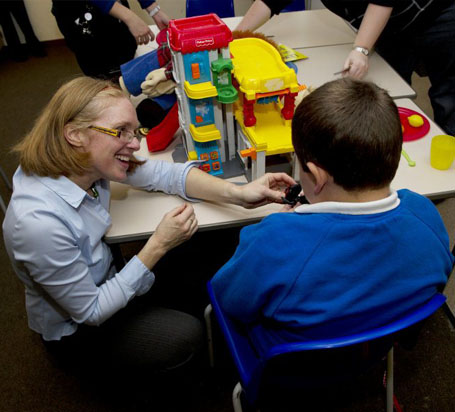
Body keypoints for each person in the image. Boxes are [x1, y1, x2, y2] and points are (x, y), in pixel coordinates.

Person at [2, 76, 295, 375]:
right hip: (79, 329)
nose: (136, 143)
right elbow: (91, 311)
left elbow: (165, 175)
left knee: (211, 243)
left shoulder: (82, 160)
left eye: (135, 130)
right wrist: (158, 245)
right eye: (121, 132)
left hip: (107, 273)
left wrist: (238, 195)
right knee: (184, 336)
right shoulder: (37, 223)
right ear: (75, 134)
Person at [211, 78, 454, 357]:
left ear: (315, 176)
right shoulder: (425, 214)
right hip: (375, 351)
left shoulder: (273, 242)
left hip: (293, 370)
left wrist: (279, 227)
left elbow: (228, 300)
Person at [235, 0, 455, 136]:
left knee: (448, 98)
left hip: (438, 14)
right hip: (389, 27)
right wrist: (236, 36)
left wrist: (361, 49)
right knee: (389, 97)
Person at [51, 0, 169, 78]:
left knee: (126, 56)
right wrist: (129, 17)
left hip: (115, 14)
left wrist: (154, 10)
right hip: (82, 15)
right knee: (104, 75)